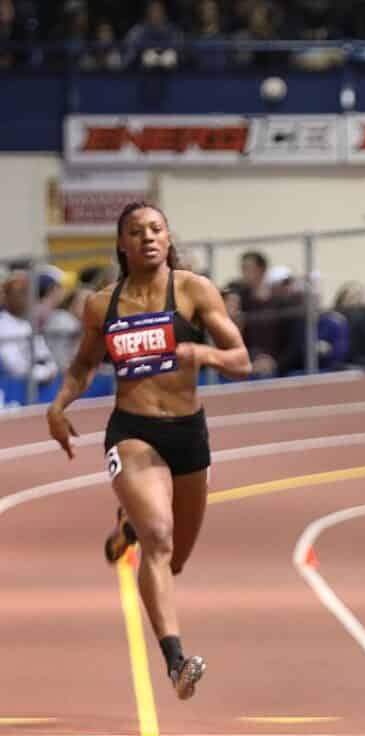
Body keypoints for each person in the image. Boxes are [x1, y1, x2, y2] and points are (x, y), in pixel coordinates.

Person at [46, 202, 252, 700]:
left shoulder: (193, 290)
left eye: (156, 229)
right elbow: (83, 364)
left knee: (175, 559)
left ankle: (126, 525)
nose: (148, 238)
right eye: (136, 232)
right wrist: (59, 405)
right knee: (158, 540)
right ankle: (176, 662)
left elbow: (241, 360)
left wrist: (203, 353)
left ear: (167, 237)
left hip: (188, 434)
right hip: (132, 430)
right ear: (122, 244)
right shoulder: (101, 305)